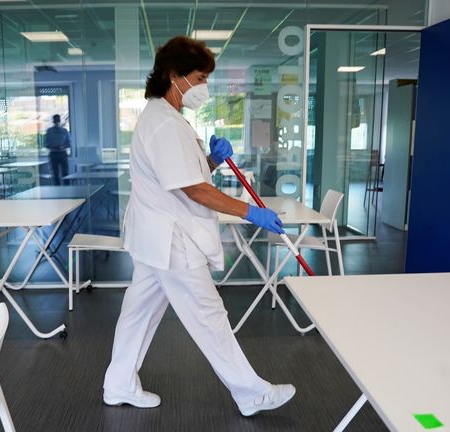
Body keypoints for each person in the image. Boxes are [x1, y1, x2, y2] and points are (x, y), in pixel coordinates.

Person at [103, 35, 295, 417]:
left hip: (156, 236)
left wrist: (211, 160)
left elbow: (180, 176)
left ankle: (119, 384)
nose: (204, 86)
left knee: (138, 313)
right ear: (175, 76)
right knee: (209, 316)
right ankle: (251, 393)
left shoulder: (166, 117)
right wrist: (248, 212)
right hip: (173, 240)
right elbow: (193, 189)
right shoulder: (164, 124)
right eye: (200, 77)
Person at [44, 114, 71, 185]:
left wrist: (62, 147)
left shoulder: (64, 131)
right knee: (55, 174)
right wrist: (53, 147)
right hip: (53, 154)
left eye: (58, 120)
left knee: (65, 173)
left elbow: (69, 144)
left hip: (62, 153)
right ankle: (57, 190)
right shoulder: (49, 131)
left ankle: (67, 190)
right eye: (55, 120)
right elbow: (46, 144)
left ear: (59, 120)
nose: (57, 121)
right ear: (53, 121)